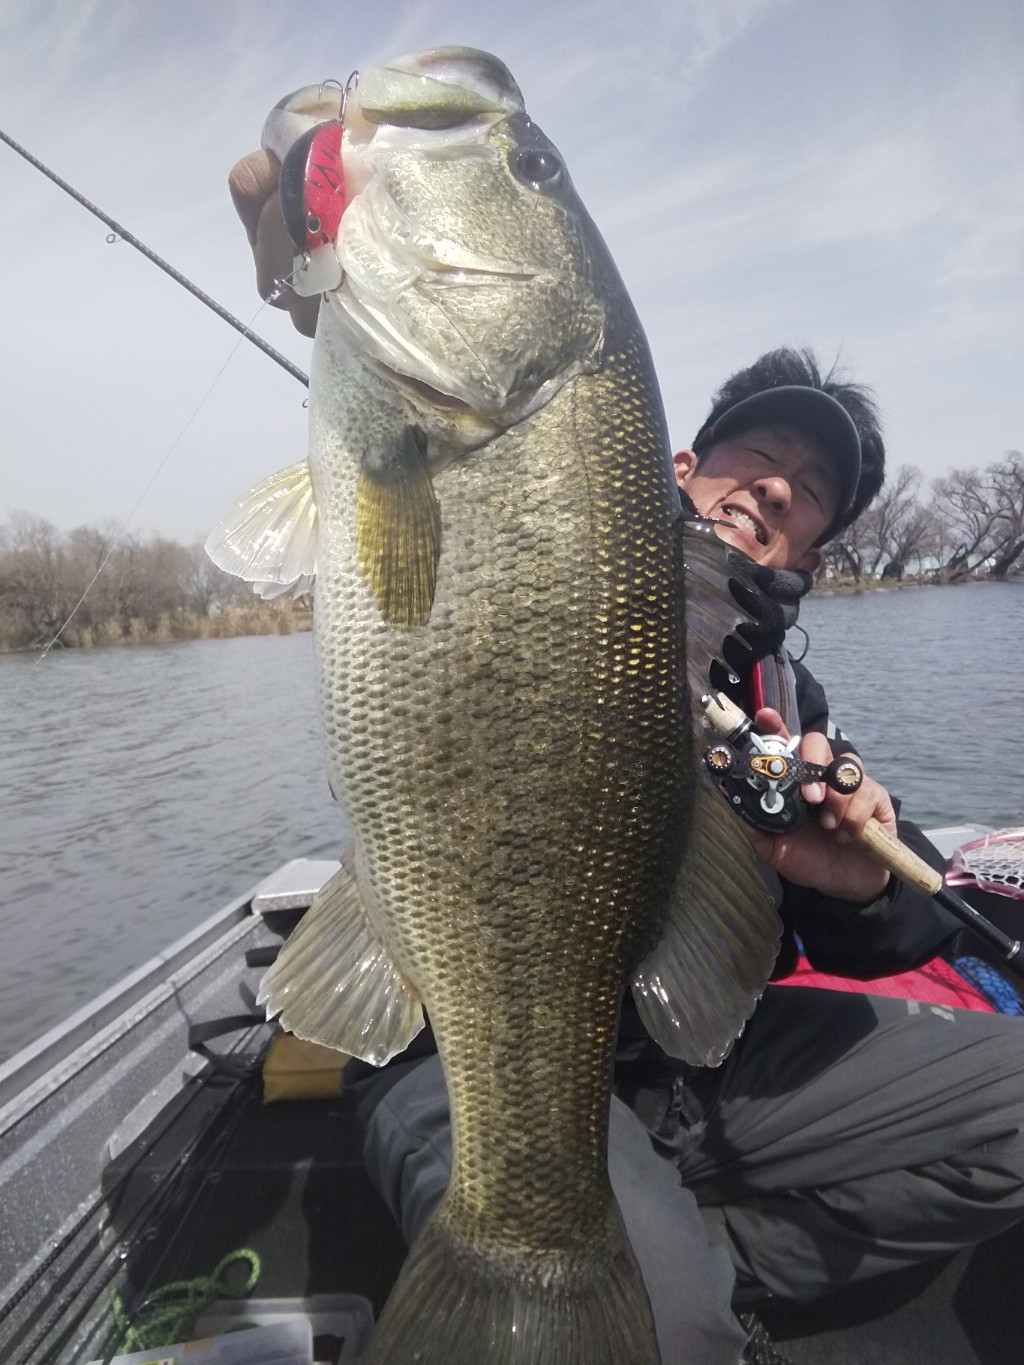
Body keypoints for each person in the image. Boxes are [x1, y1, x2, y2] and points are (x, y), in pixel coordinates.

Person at [229, 153, 1024, 1364]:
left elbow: (890, 916)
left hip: (693, 1070)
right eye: (756, 454)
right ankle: (659, 1285)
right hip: (470, 1052)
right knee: (651, 1329)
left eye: (812, 490)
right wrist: (315, 269)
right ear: (676, 467)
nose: (777, 487)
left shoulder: (782, 698)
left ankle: (703, 1269)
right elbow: (390, 392)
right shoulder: (492, 500)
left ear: (813, 548)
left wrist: (858, 882)